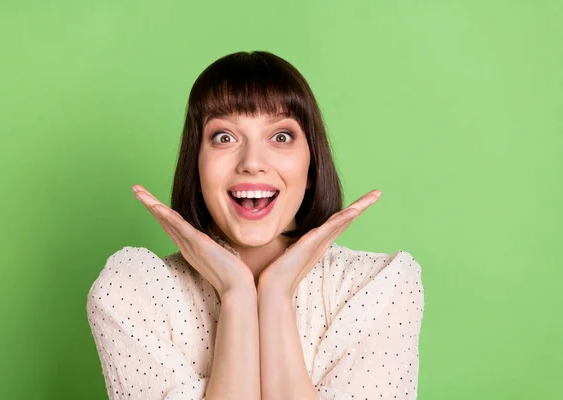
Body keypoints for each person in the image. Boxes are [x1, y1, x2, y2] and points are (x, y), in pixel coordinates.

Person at [87, 50, 424, 400]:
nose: (252, 163)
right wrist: (236, 293)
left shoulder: (379, 288)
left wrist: (276, 292)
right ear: (197, 167)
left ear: (311, 168)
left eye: (280, 136)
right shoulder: (132, 292)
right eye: (224, 137)